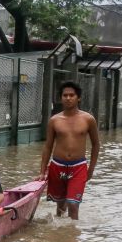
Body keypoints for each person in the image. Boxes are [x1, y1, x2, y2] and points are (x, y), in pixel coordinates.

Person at [39, 81, 100, 220]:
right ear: (61, 98)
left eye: (71, 95)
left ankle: (72, 237)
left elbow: (96, 145)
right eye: (65, 95)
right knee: (60, 206)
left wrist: (91, 169)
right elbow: (48, 146)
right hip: (58, 166)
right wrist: (42, 171)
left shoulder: (88, 119)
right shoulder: (54, 120)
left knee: (73, 204)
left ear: (78, 98)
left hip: (78, 167)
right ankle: (61, 237)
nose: (68, 98)